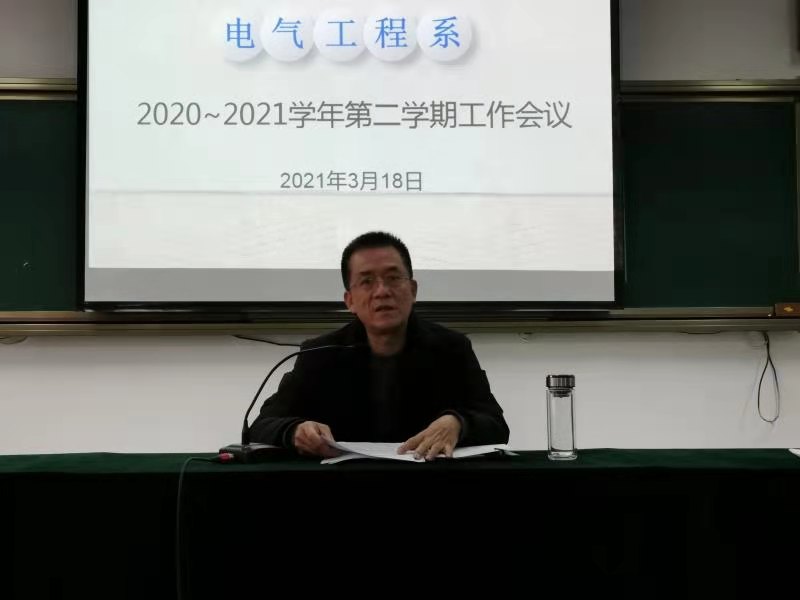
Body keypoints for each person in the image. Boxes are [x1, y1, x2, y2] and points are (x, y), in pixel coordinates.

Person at [249, 231, 509, 460]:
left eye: (393, 278)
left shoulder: (451, 348)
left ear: (413, 290)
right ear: (350, 301)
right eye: (367, 281)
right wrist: (294, 431)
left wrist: (459, 423)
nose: (382, 291)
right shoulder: (320, 354)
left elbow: (497, 426)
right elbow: (261, 426)